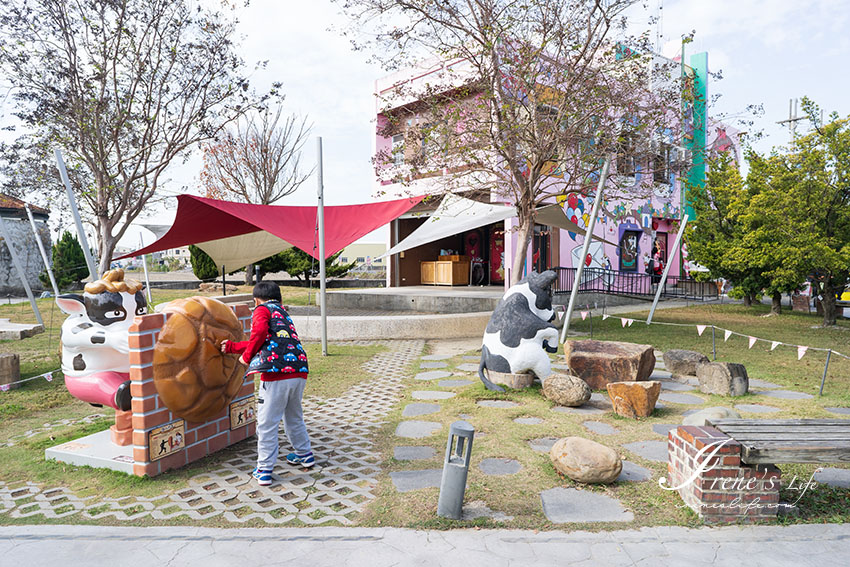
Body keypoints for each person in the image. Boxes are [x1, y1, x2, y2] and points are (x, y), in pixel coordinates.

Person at [220, 281, 313, 486]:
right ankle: (305, 454)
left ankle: (264, 469)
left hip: (276, 373)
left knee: (266, 424)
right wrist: (233, 347)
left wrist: (245, 357)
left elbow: (258, 334)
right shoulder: (283, 313)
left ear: (256, 300)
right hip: (298, 370)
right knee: (294, 416)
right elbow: (267, 339)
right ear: (280, 299)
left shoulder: (262, 309)